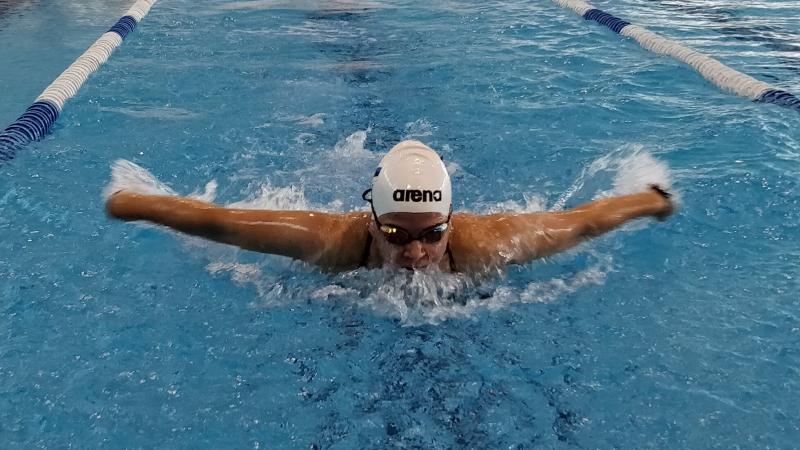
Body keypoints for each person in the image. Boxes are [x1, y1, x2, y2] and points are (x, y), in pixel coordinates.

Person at [105, 140, 675, 274]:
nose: (418, 253)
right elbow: (221, 221)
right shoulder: (332, 241)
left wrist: (650, 201)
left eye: (431, 234)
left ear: (452, 220)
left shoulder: (487, 244)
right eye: (398, 237)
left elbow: (582, 221)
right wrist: (131, 202)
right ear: (371, 221)